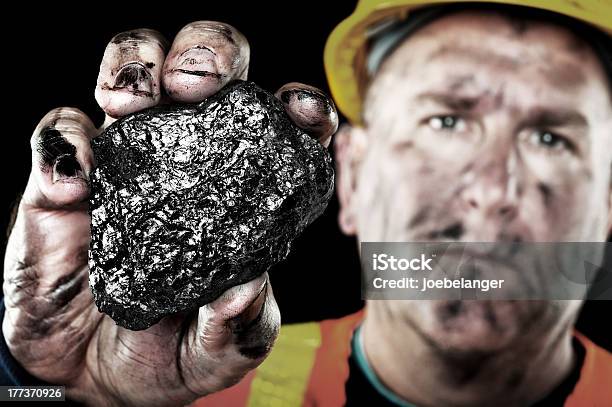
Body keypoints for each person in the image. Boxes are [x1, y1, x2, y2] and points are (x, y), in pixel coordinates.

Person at [2, 1, 612, 406]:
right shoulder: (209, 391)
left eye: (551, 138)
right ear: (350, 180)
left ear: (608, 204)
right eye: (445, 122)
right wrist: (57, 389)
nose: (491, 191)